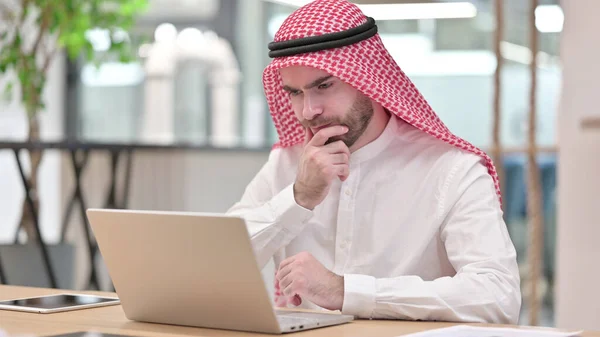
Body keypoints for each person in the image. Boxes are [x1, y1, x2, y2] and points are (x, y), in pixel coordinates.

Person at [227, 0, 521, 324]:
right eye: (295, 93)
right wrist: (298, 198)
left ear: (367, 77)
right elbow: (215, 268)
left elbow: (498, 295)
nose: (308, 111)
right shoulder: (286, 164)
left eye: (324, 86)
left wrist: (344, 291)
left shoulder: (452, 170)